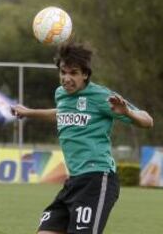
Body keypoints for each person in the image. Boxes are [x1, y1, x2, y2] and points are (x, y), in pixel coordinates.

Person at [11, 41, 153, 234]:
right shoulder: (61, 94)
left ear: (85, 74)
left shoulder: (102, 97)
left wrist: (127, 112)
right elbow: (60, 113)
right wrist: (29, 112)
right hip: (73, 181)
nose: (66, 78)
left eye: (73, 73)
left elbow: (147, 121)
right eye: (63, 72)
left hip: (97, 180)